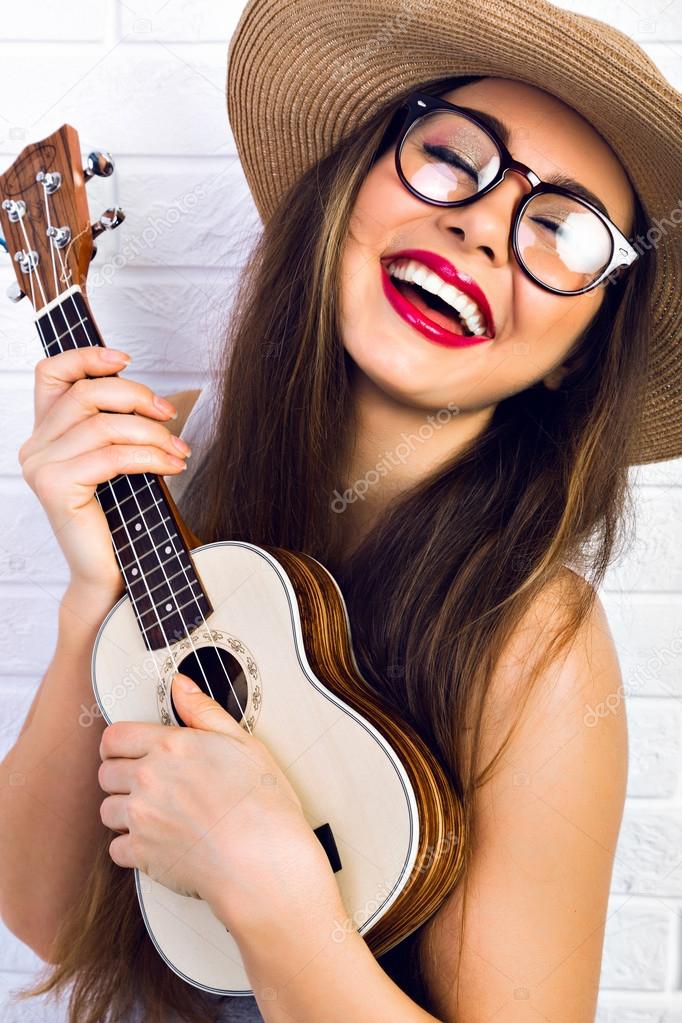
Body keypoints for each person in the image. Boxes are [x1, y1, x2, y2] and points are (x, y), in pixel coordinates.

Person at [2, 0, 681, 1021]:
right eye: (453, 157)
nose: (482, 228)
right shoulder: (169, 486)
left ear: (580, 349)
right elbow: (50, 915)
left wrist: (272, 890)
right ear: (350, 184)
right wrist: (91, 600)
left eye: (561, 231)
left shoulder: (532, 641)